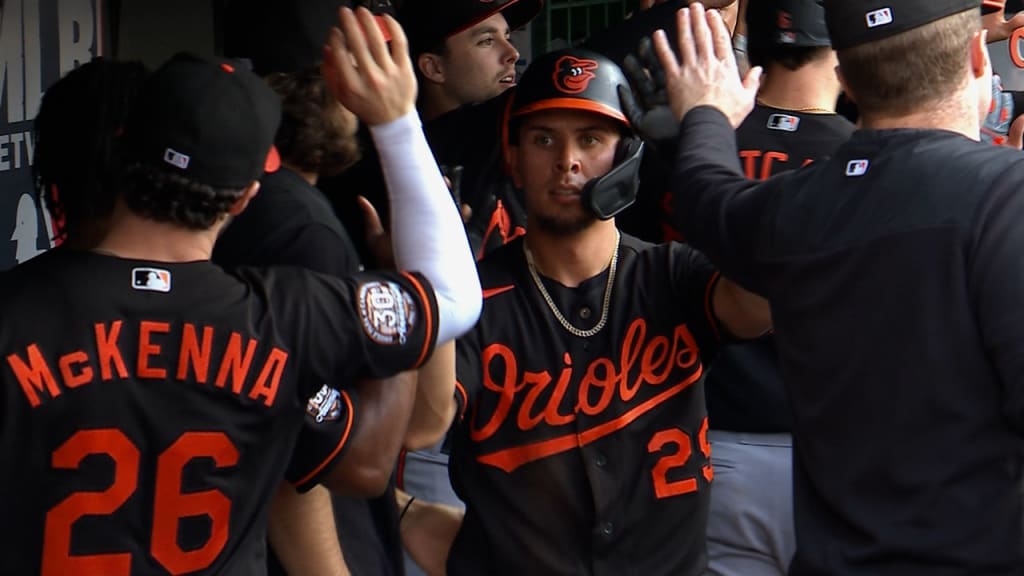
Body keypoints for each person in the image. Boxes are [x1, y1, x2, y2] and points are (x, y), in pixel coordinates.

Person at [0, 8, 481, 575]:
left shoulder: (13, 312)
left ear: (124, 152)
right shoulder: (287, 314)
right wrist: (396, 120)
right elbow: (453, 298)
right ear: (246, 196)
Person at [657, 2, 1024, 574]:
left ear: (846, 77)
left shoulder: (793, 206)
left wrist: (707, 111)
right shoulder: (1009, 197)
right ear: (979, 56)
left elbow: (706, 195)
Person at [412, 47, 770, 576]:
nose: (567, 162)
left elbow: (761, 303)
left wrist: (699, 152)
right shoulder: (475, 300)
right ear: (512, 157)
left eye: (591, 139)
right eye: (543, 140)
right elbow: (424, 422)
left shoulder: (670, 275)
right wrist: (434, 286)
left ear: (625, 156)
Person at [213, 65, 450, 576]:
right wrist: (403, 299)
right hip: (314, 547)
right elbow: (308, 453)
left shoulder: (290, 207)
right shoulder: (300, 228)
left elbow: (424, 422)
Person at [700, 2, 853, 574]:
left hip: (712, 439)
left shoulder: (699, 152)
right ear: (839, 48)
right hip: (832, 447)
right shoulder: (866, 158)